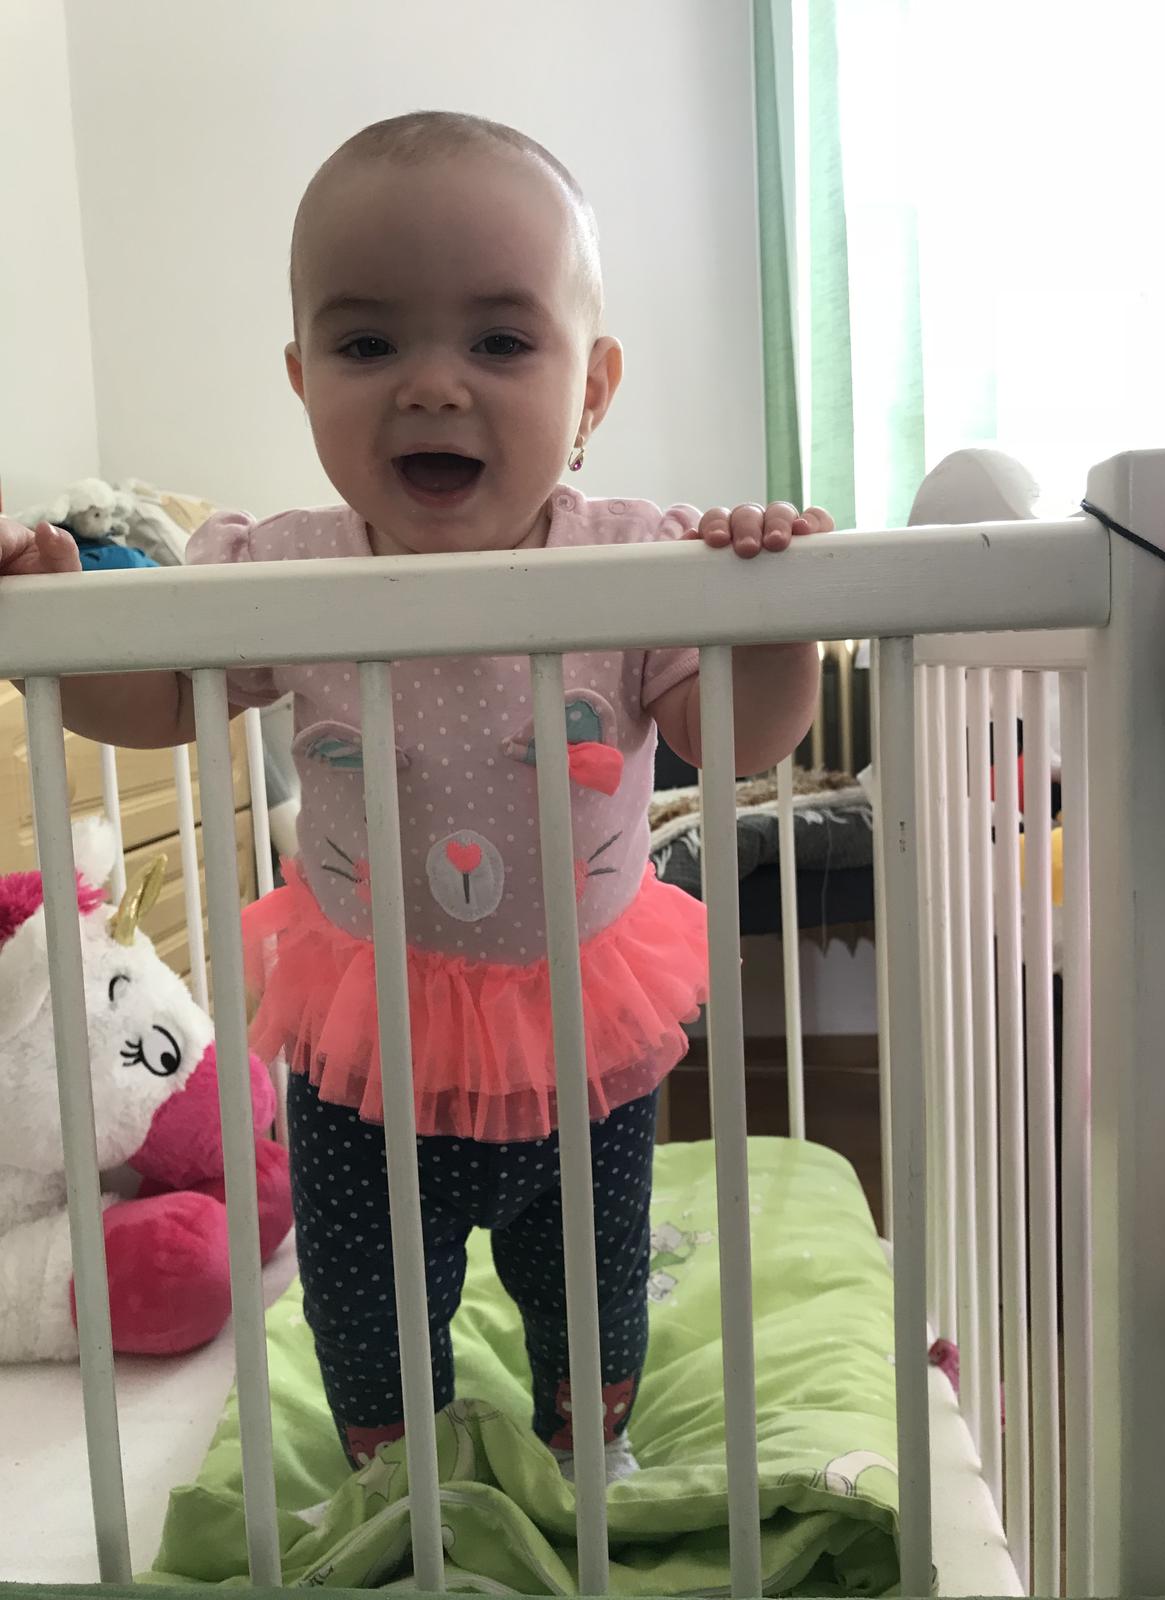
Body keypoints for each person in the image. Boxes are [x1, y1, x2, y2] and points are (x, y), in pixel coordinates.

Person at [0, 112, 827, 1481]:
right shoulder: (283, 572)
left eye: (499, 341)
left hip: (579, 1014)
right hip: (365, 1024)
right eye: (369, 344)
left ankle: (588, 1448)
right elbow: (157, 703)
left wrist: (781, 621)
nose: (432, 386)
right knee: (364, 1286)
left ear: (593, 387)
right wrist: (56, 617)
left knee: (591, 1268)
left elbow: (734, 736)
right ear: (301, 376)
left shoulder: (638, 563)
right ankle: (399, 1478)